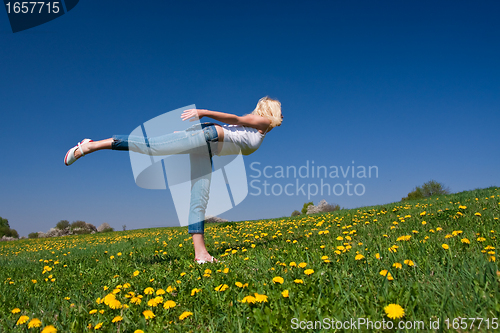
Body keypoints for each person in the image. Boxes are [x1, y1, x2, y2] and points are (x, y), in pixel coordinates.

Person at [64, 96, 283, 263]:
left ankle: (201, 254)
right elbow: (235, 118)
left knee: (200, 196)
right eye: (280, 111)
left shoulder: (256, 130)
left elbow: (235, 126)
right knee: (153, 147)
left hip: (206, 145)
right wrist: (204, 112)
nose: (282, 116)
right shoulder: (261, 122)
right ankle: (90, 145)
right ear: (271, 111)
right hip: (207, 137)